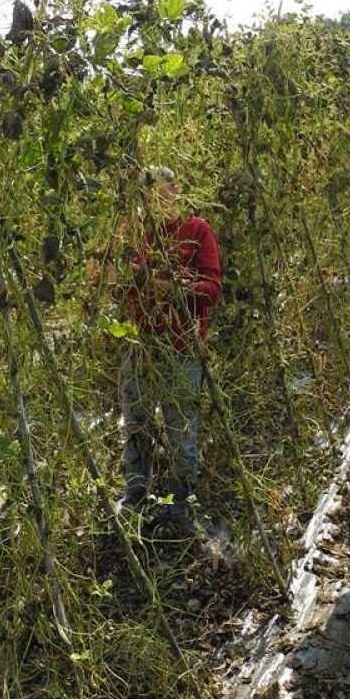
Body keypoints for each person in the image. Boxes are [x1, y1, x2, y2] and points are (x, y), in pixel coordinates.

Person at [118, 166, 221, 536]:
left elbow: (213, 288)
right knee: (137, 425)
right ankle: (135, 498)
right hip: (140, 347)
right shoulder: (135, 235)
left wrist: (175, 289)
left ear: (176, 191)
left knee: (182, 432)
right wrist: (131, 278)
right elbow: (122, 290)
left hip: (181, 348)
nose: (156, 203)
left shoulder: (197, 230)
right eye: (148, 198)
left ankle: (182, 505)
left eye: (162, 193)